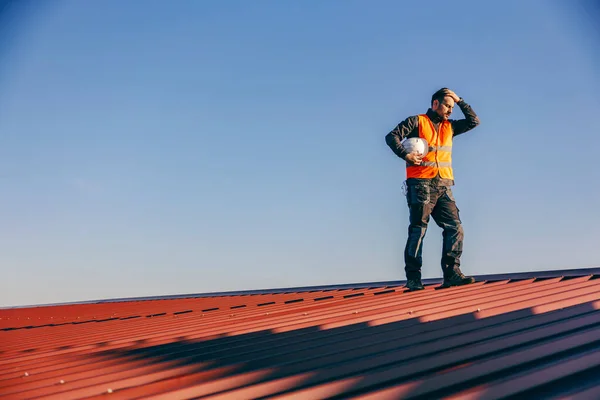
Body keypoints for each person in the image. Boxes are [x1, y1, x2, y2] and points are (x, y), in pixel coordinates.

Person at [385, 88, 480, 291]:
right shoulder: (417, 122)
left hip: (443, 185)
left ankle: (452, 274)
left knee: (455, 227)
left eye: (452, 107)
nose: (450, 110)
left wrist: (460, 100)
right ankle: (413, 279)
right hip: (420, 184)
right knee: (418, 229)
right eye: (447, 105)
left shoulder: (450, 127)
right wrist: (405, 155)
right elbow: (391, 136)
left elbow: (474, 121)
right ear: (435, 104)